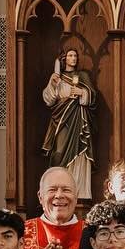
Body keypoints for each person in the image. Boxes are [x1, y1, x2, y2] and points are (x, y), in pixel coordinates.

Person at [41, 48, 97, 195]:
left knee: (79, 150)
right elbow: (49, 100)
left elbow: (92, 95)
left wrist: (82, 93)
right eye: (71, 55)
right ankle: (60, 188)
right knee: (59, 152)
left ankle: (80, 192)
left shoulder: (82, 75)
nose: (74, 58)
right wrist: (53, 84)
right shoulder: (58, 77)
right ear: (64, 59)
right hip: (61, 119)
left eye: (76, 56)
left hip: (78, 117)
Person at [18, 167, 85, 249]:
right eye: (52, 190)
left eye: (66, 190)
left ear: (76, 196)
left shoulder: (92, 233)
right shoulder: (21, 231)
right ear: (40, 197)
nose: (59, 195)